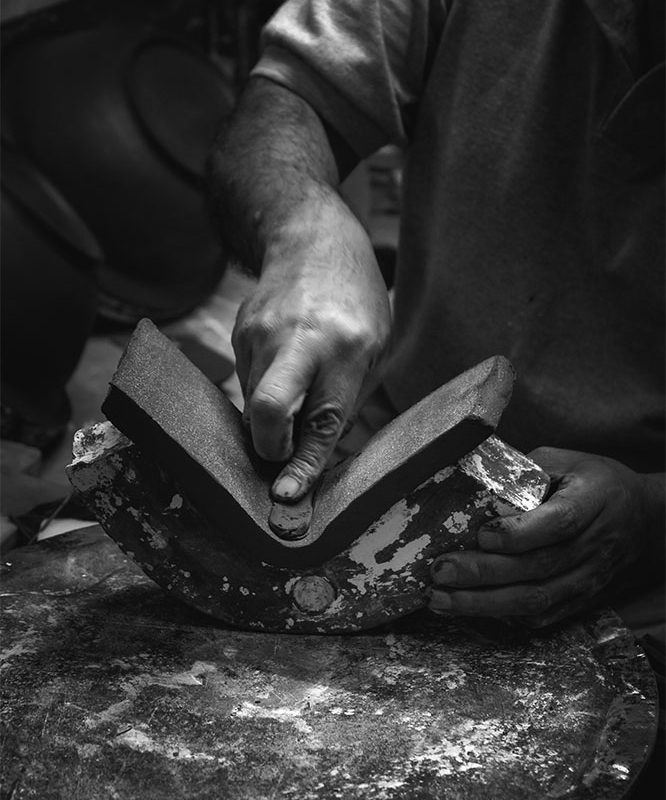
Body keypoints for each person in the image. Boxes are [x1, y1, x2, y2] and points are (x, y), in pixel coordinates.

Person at [207, 0, 664, 631]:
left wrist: (651, 513)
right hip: (388, 444)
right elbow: (287, 100)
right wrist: (304, 227)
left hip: (636, 559)